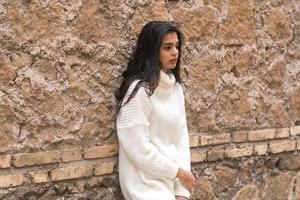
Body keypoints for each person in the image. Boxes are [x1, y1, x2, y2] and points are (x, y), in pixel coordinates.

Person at [115, 21, 196, 200]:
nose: (175, 52)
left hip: (172, 182)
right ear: (153, 51)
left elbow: (181, 140)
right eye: (167, 47)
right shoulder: (139, 90)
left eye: (176, 46)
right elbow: (138, 148)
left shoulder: (175, 89)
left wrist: (182, 191)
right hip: (144, 184)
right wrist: (178, 173)